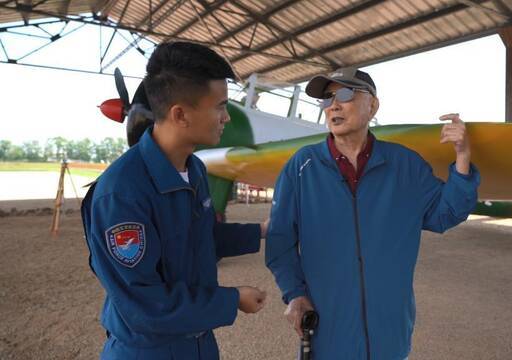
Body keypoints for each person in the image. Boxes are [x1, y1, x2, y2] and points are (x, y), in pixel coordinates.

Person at [266, 67, 480, 359]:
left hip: (390, 333)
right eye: (327, 99)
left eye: (345, 94)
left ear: (373, 105)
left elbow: (445, 214)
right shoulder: (301, 167)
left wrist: (463, 156)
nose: (334, 105)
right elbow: (280, 242)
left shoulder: (405, 165)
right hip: (327, 333)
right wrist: (294, 294)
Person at [81, 41, 268, 360]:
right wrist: (231, 299)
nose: (226, 118)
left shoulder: (193, 168)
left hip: (197, 344)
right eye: (220, 106)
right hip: (147, 351)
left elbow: (201, 236)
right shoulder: (122, 193)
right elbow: (144, 304)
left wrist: (263, 229)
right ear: (180, 114)